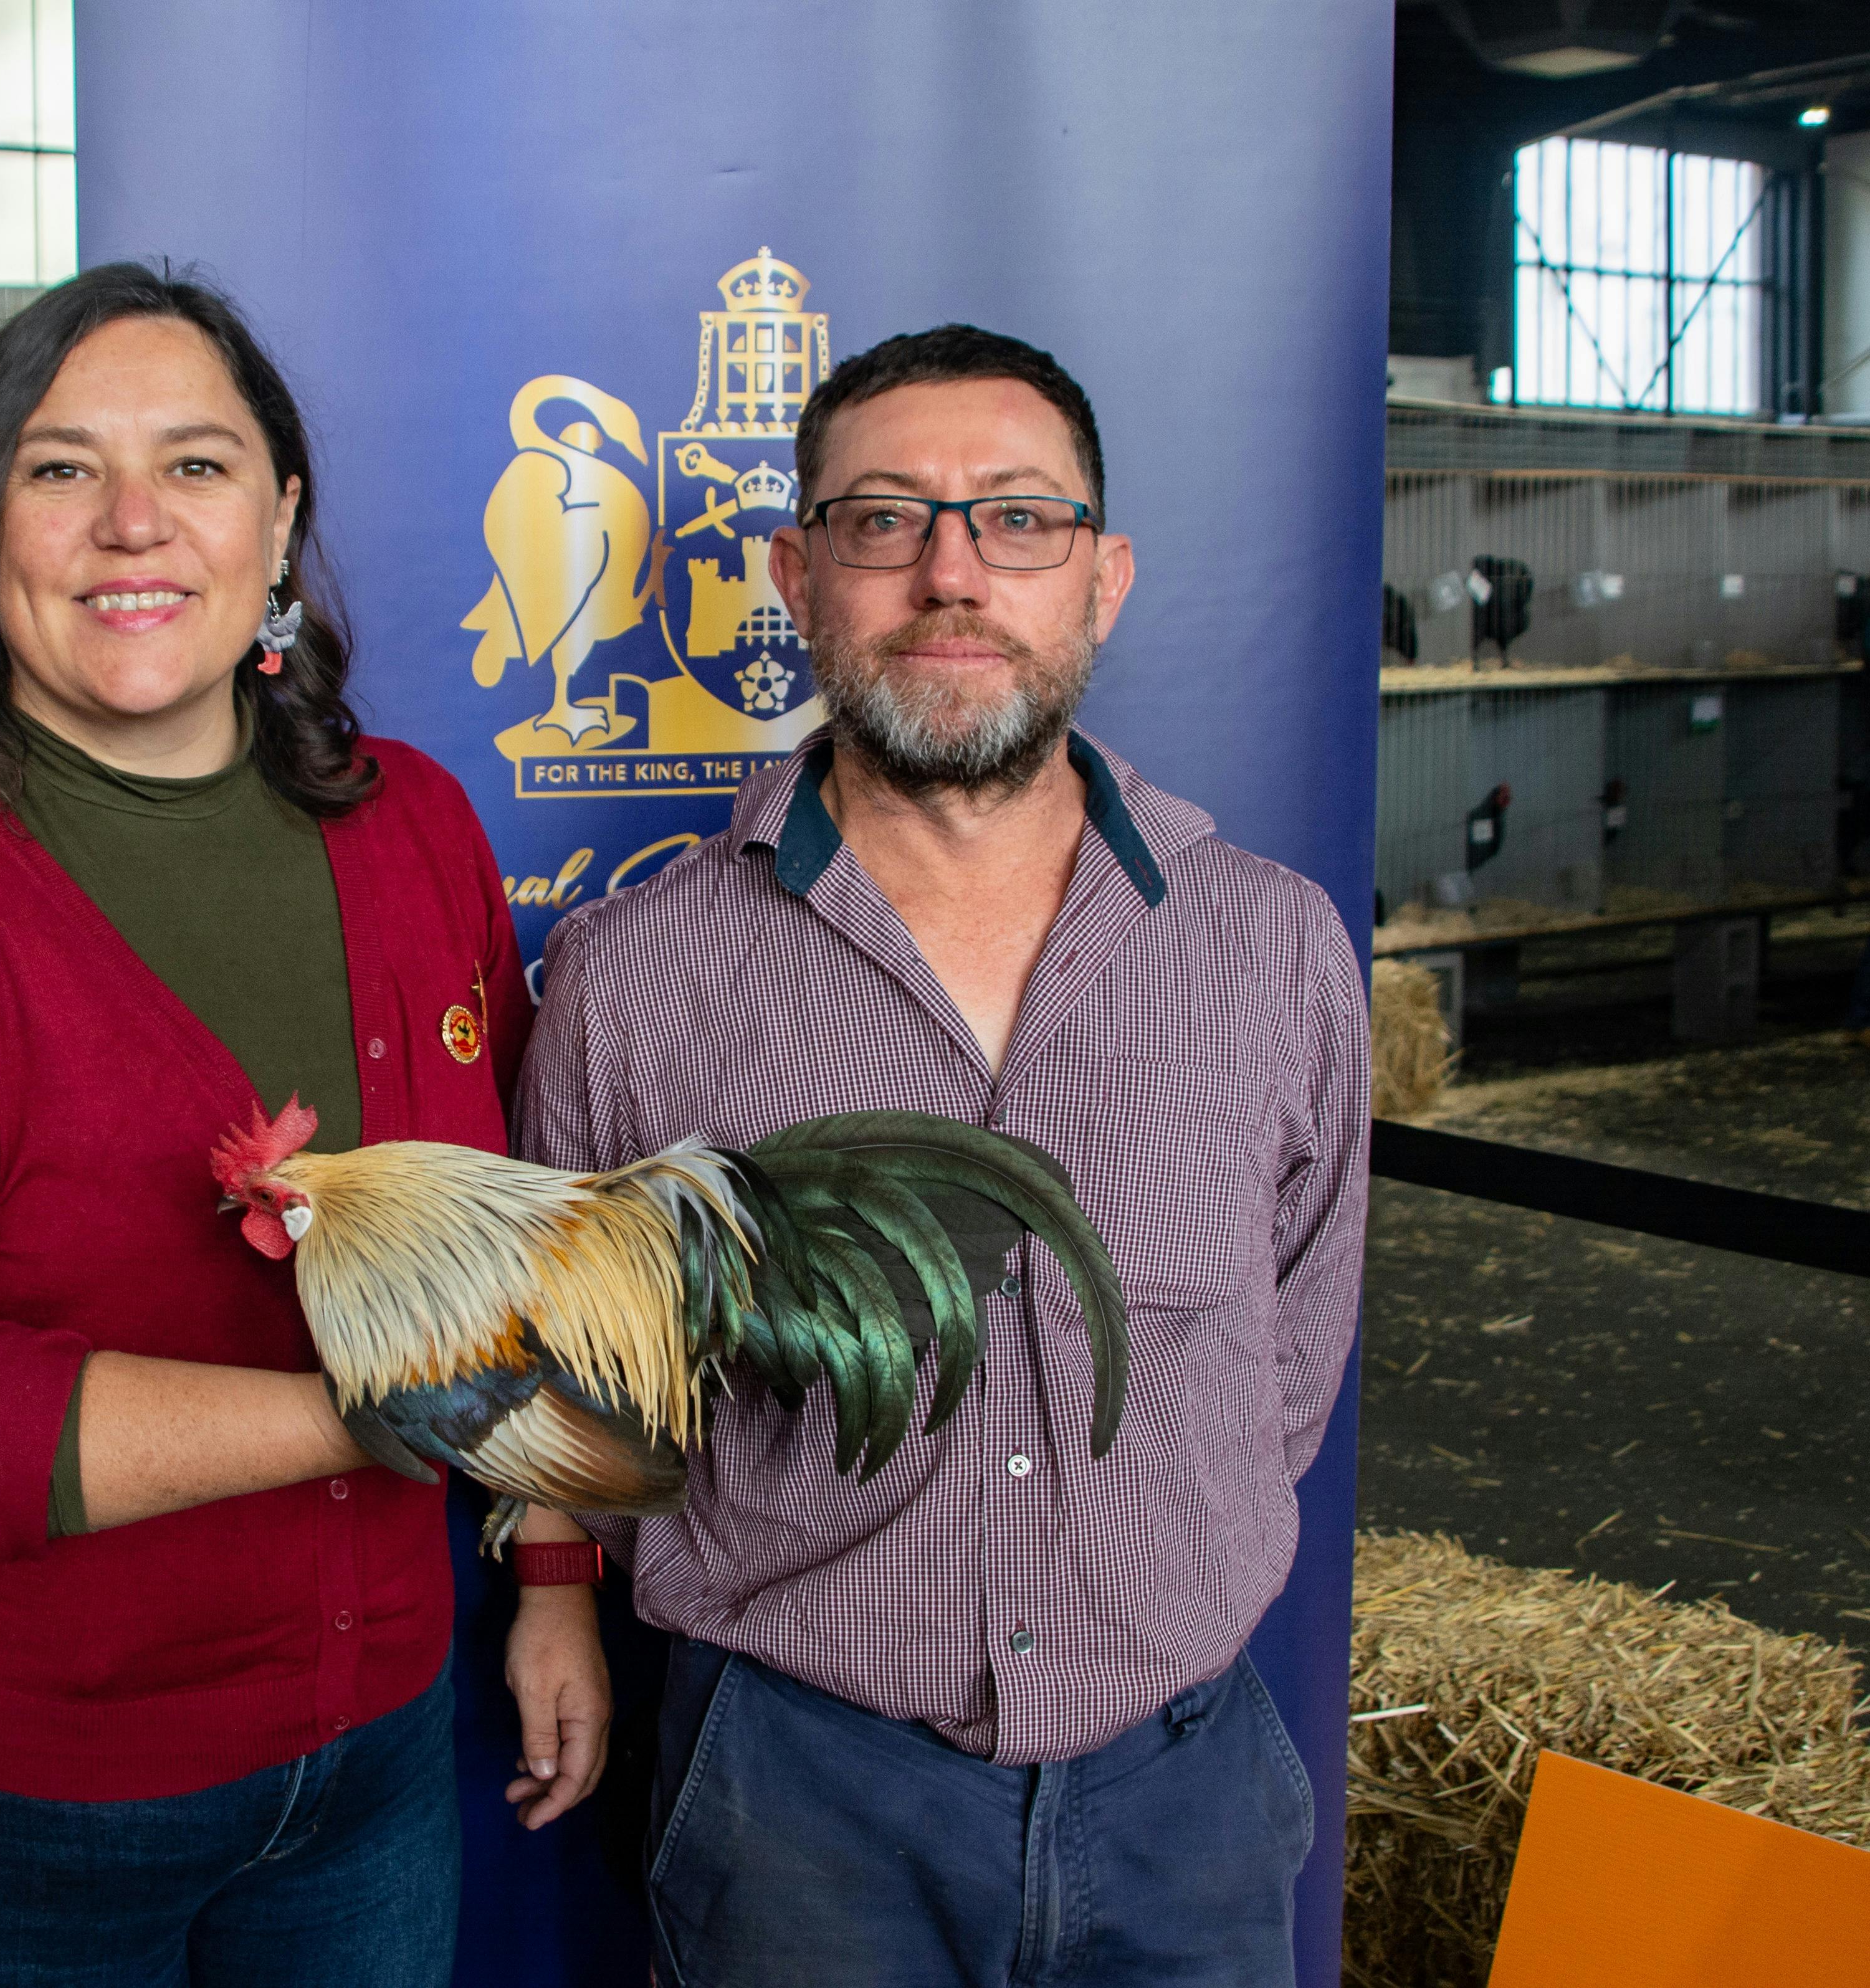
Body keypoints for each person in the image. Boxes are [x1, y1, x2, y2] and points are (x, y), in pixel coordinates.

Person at [0, 264, 610, 1988]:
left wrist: (551, 1565)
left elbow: (520, 1242)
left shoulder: (412, 825)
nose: (132, 525)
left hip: (372, 1760)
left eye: (195, 466)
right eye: (59, 471)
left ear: (281, 521)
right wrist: (365, 1422)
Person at [517, 323, 1370, 1987]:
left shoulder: (1273, 945)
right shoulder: (637, 976)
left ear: (1102, 578)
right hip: (798, 1806)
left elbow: (1292, 1336)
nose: (952, 572)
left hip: (1186, 1800)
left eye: (1018, 521)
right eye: (884, 519)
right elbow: (581, 1376)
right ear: (797, 572)